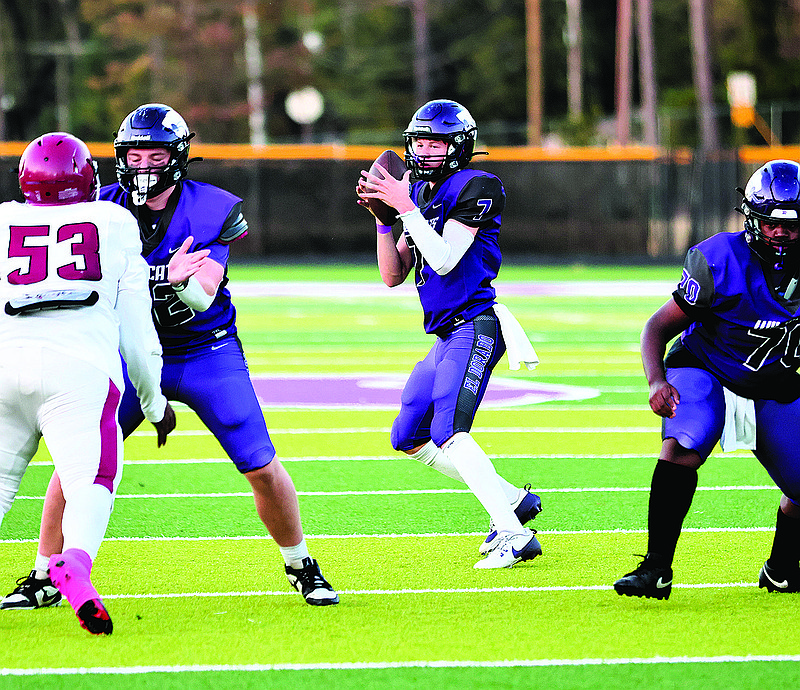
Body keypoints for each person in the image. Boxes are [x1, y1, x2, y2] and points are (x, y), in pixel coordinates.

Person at [2, 104, 338, 608]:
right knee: (75, 467)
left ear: (178, 156)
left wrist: (162, 278)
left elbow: (203, 292)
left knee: (261, 466)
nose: (142, 165)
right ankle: (46, 573)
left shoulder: (210, 207)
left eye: (154, 153)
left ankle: (300, 562)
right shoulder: (103, 205)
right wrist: (163, 276)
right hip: (127, 356)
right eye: (133, 154)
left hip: (205, 350)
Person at [0, 132, 175, 634]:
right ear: (88, 180)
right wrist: (154, 401)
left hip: (7, 365)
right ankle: (74, 562)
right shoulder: (114, 221)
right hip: (79, 372)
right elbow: (138, 332)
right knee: (91, 482)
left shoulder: (5, 220)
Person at [357, 99, 543, 569]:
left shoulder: (477, 186)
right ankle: (510, 500)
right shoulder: (419, 193)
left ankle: (514, 535)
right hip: (445, 335)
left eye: (435, 141)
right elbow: (391, 274)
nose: (424, 149)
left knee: (450, 432)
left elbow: (443, 258)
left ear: (458, 145)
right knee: (409, 435)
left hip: (475, 325)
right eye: (419, 140)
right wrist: (384, 222)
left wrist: (405, 208)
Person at [614, 159, 800, 600]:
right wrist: (657, 381)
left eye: (791, 226)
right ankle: (656, 567)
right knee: (685, 439)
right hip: (706, 367)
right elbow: (656, 328)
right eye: (771, 223)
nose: (780, 233)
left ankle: (781, 568)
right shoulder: (719, 258)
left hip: (773, 381)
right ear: (753, 218)